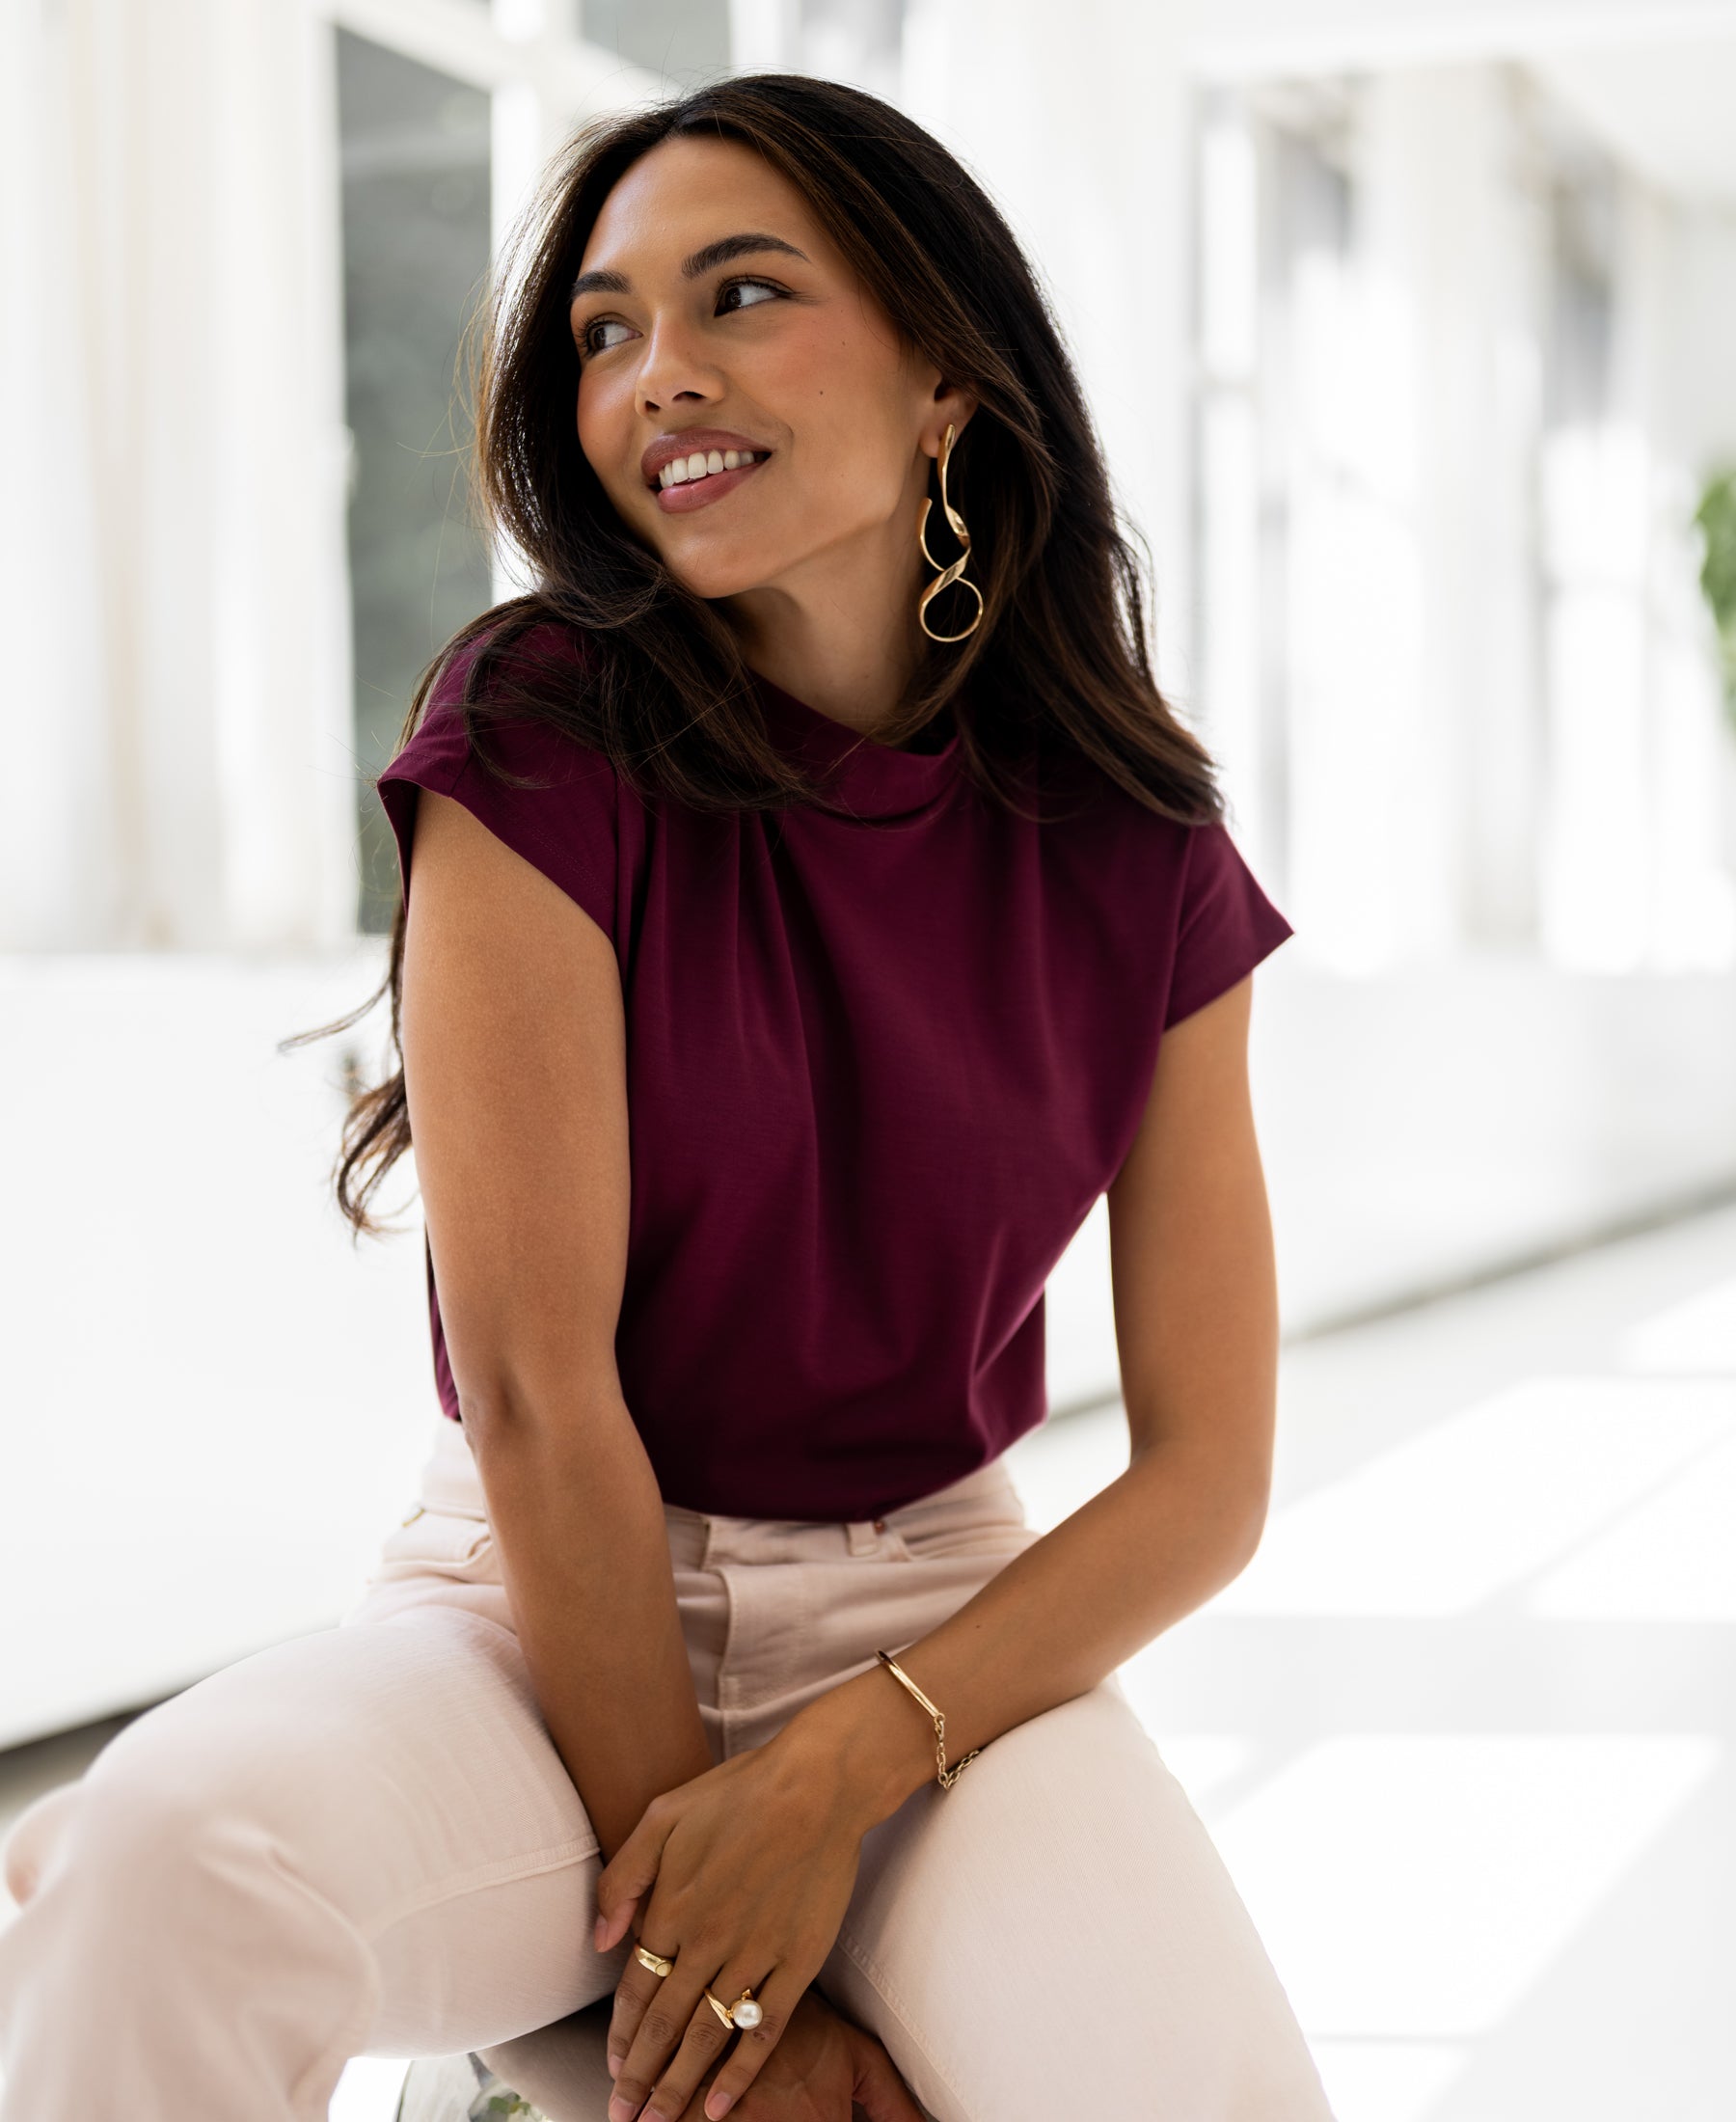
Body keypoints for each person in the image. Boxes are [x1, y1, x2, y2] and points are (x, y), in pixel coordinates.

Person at [0, 71, 1334, 2122]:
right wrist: (724, 2004)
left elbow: (1204, 1472)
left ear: (950, 382)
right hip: (543, 1612)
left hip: (935, 1629)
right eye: (606, 328)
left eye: (741, 294)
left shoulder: (1140, 847)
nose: (656, 374)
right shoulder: (539, 729)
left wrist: (852, 1754)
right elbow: (539, 1391)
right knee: (160, 1854)